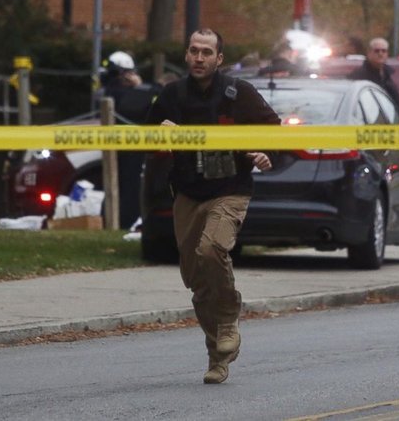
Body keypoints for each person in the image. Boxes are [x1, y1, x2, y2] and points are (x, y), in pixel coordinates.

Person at [144, 28, 281, 384]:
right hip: (188, 192)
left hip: (230, 189)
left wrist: (267, 152)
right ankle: (217, 353)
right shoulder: (172, 95)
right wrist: (160, 134)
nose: (199, 58)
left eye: (207, 52)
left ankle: (229, 319)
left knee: (212, 249)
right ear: (186, 54)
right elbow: (144, 139)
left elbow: (275, 129)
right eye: (194, 51)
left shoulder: (240, 93)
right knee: (197, 281)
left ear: (219, 58)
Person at [98, 50, 159, 228]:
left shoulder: (110, 90)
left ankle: (114, 220)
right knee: (128, 187)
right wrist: (139, 86)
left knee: (121, 186)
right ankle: (124, 221)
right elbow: (151, 96)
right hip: (128, 147)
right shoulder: (117, 92)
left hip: (125, 146)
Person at [347, 37, 399, 114]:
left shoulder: (388, 75)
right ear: (369, 53)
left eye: (384, 51)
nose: (380, 54)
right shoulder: (358, 76)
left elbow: (398, 104)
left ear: (387, 54)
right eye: (377, 51)